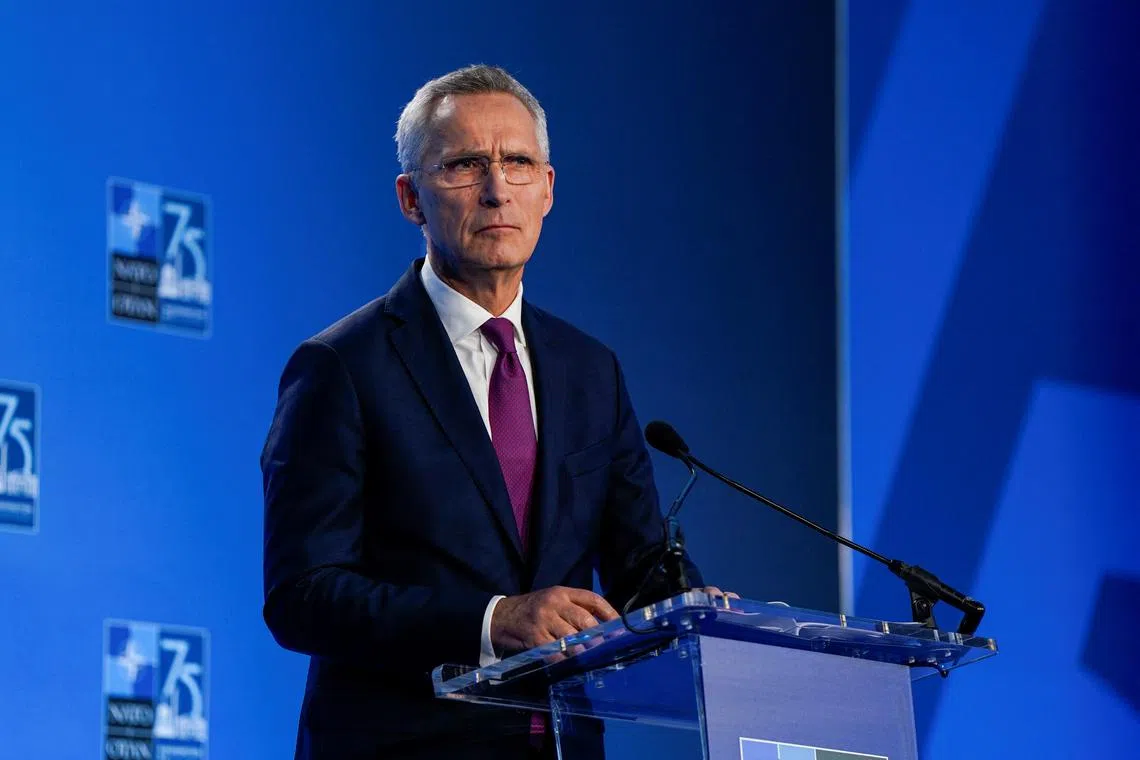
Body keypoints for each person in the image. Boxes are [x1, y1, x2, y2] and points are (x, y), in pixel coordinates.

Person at [261, 64, 713, 760]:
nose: (498, 189)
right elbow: (304, 596)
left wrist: (703, 612)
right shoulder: (343, 367)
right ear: (411, 198)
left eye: (518, 163)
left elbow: (639, 565)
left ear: (549, 189)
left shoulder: (590, 369)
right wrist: (493, 620)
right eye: (465, 165)